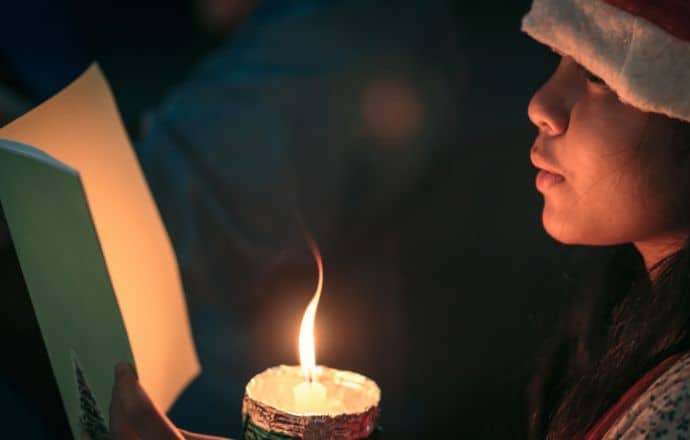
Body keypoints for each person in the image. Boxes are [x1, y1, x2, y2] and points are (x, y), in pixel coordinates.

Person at [112, 0, 690, 438]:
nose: (541, 105)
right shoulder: (624, 322)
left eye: (597, 75)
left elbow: (188, 220)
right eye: (558, 60)